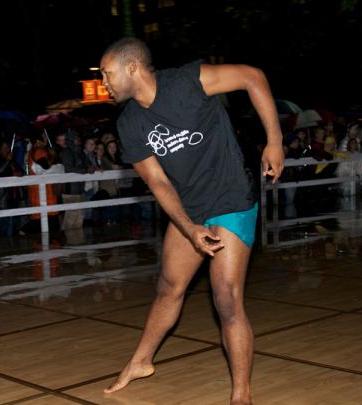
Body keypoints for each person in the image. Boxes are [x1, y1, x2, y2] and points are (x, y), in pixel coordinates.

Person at [99, 37, 284, 405]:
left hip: (231, 197)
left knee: (227, 299)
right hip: (190, 207)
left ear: (131, 67)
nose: (104, 82)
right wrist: (189, 228)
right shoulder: (130, 123)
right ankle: (141, 361)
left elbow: (252, 76)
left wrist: (274, 140)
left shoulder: (189, 81)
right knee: (169, 286)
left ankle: (241, 396)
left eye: (107, 73)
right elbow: (158, 182)